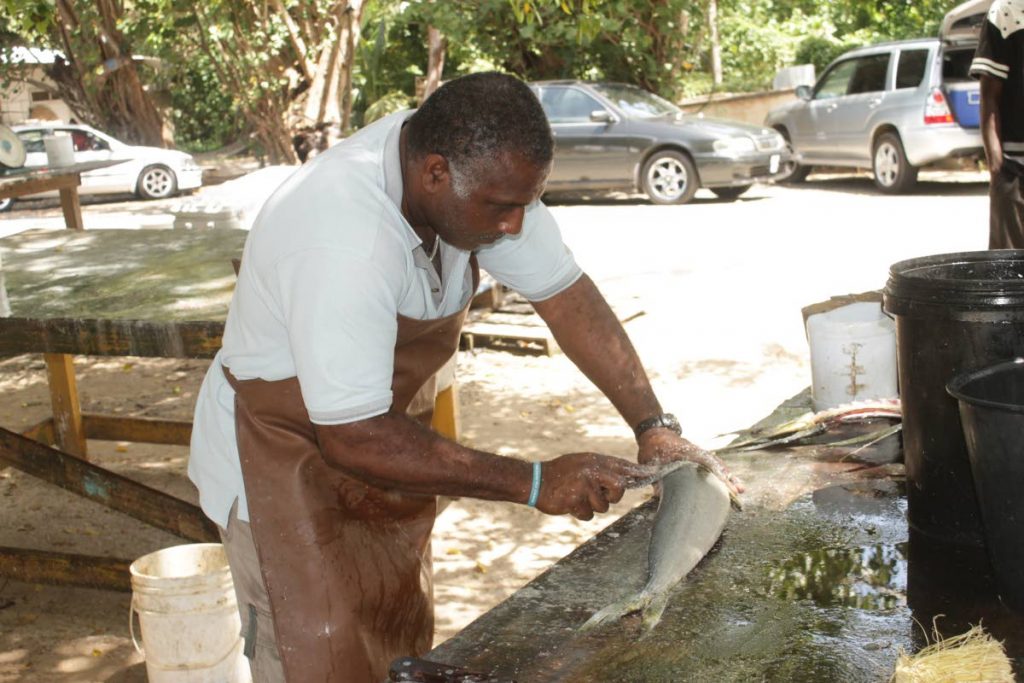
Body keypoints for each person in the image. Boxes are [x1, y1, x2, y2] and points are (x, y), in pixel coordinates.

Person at [188, 71, 741, 683]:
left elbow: (566, 297)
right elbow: (352, 437)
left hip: (384, 447)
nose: (513, 225)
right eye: (501, 208)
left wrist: (653, 425)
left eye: (524, 205)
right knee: (315, 657)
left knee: (391, 639)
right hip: (282, 458)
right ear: (433, 173)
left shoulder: (482, 184)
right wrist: (533, 482)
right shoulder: (342, 238)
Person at [970, 0, 1024, 249]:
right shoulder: (1007, 10)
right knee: (1008, 276)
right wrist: (997, 169)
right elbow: (989, 96)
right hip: (1015, 169)